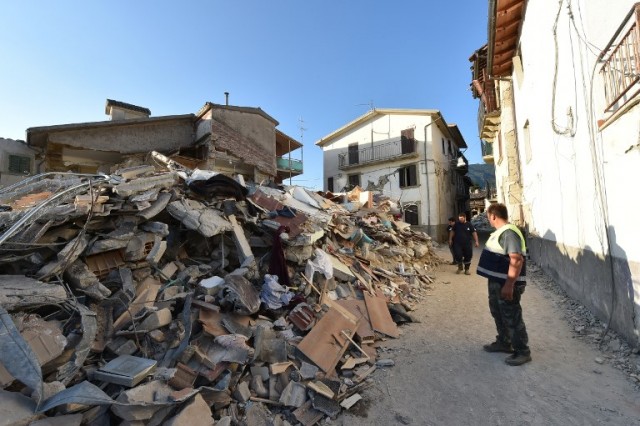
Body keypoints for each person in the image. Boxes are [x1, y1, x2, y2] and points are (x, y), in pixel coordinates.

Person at [476, 203, 531, 366]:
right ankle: (504, 341)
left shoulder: (509, 233)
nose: (488, 220)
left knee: (511, 315)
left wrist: (509, 285)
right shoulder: (500, 232)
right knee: (498, 312)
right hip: (497, 281)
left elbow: (516, 259)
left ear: (493, 216)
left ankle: (522, 351)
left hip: (506, 283)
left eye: (488, 217)